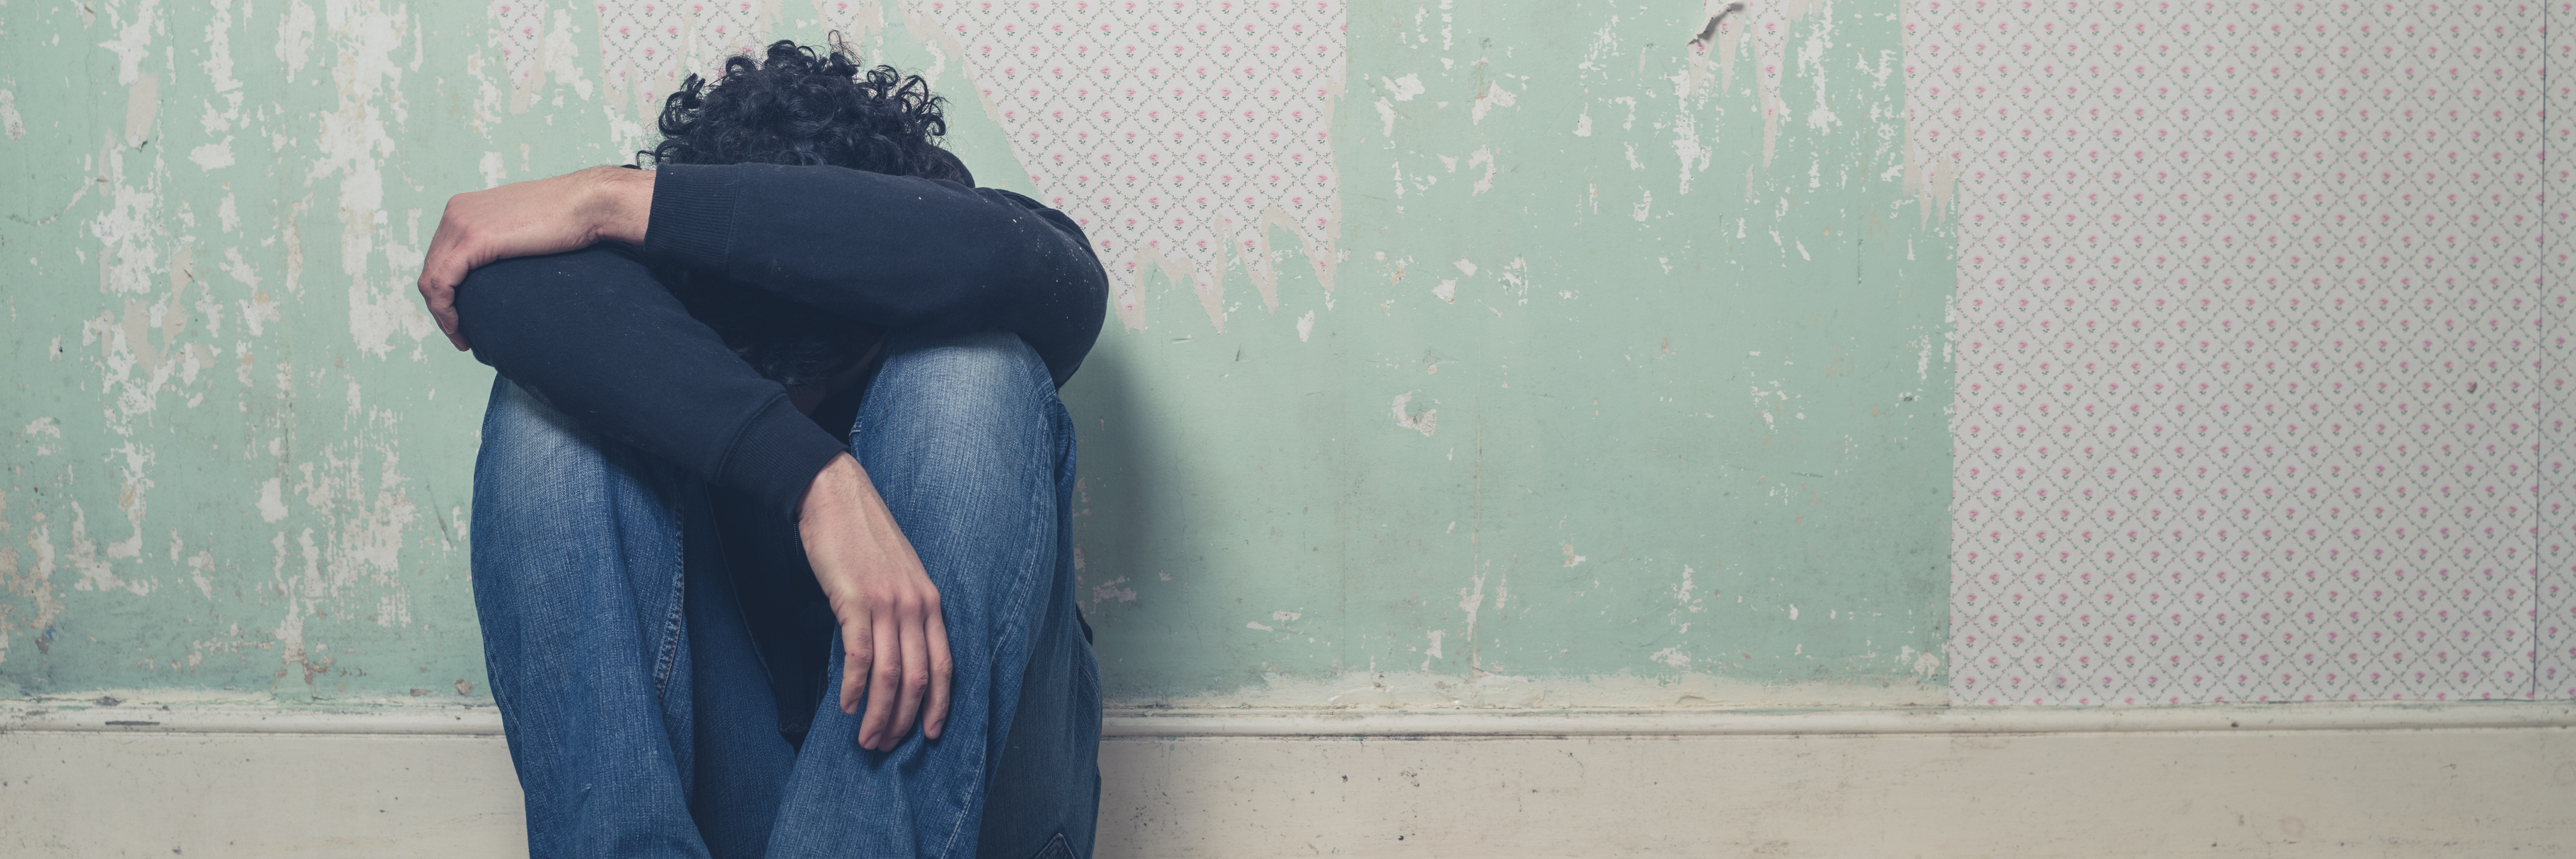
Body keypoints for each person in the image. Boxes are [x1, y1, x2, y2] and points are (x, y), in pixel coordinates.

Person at [412, 40, 1109, 859]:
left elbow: (1035, 265)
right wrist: (814, 477)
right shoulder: (652, 270)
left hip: (975, 811)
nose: (795, 401)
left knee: (973, 374)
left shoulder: (962, 256)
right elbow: (493, 280)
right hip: (732, 797)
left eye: (818, 375)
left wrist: (606, 198)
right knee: (549, 415)